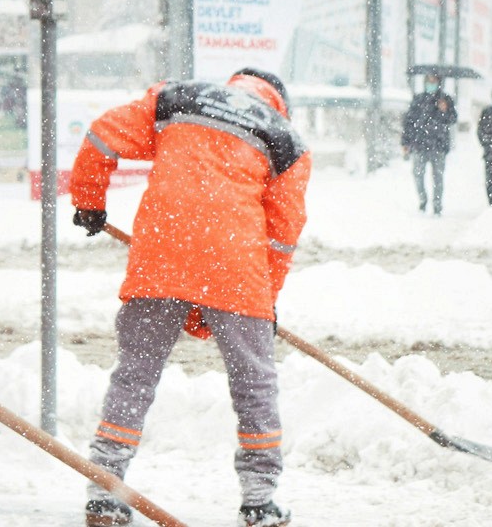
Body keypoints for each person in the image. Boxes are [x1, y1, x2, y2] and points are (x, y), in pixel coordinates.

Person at [70, 67, 311, 527]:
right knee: (254, 386)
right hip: (236, 267)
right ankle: (259, 501)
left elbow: (103, 135)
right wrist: (265, 302)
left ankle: (104, 490)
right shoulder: (287, 141)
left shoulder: (177, 100)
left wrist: (89, 199)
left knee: (134, 377)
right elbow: (281, 237)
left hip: (161, 253)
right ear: (278, 101)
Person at [401, 72, 457, 215]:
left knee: (437, 177)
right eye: (428, 81)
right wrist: (405, 142)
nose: (431, 83)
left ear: (438, 82)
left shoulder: (445, 99)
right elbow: (409, 122)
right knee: (418, 174)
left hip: (438, 145)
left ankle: (437, 205)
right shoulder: (418, 99)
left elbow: (452, 119)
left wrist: (444, 110)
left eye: (433, 81)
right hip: (420, 144)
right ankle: (423, 200)